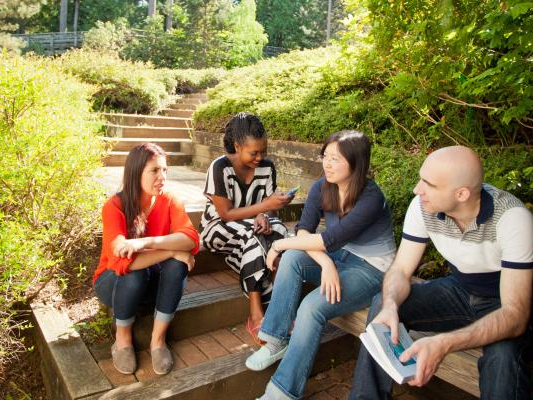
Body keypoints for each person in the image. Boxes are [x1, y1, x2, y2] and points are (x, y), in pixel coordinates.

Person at [349, 146, 533, 400]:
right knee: (382, 304)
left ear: (461, 194)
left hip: (504, 303)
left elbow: (516, 315)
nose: (417, 189)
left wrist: (443, 343)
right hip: (459, 289)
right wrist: (391, 304)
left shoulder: (512, 219)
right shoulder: (423, 207)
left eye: (429, 184)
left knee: (504, 359)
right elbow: (401, 269)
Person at [245, 130, 397, 400]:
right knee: (293, 259)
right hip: (339, 255)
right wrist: (326, 263)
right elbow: (304, 231)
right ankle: (276, 338)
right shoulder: (321, 186)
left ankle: (282, 391)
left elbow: (328, 239)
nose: (327, 164)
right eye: (325, 156)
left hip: (373, 269)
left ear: (356, 163)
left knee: (312, 306)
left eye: (335, 159)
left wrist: (279, 244)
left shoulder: (371, 197)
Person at [93, 143, 200, 376]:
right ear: (136, 172)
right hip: (112, 283)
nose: (162, 177)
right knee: (139, 270)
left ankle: (158, 340)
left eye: (165, 171)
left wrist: (146, 242)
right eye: (154, 171)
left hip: (152, 281)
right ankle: (122, 340)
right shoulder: (115, 206)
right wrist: (171, 250)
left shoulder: (170, 200)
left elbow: (190, 239)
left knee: (177, 264)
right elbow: (122, 262)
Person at [200, 112, 292, 344]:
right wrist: (263, 207)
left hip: (252, 223)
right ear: (238, 146)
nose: (259, 157)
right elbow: (226, 214)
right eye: (254, 153)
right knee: (254, 236)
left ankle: (280, 305)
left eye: (264, 151)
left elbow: (268, 209)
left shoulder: (267, 167)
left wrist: (267, 211)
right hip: (218, 227)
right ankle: (256, 312)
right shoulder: (220, 167)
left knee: (280, 231)